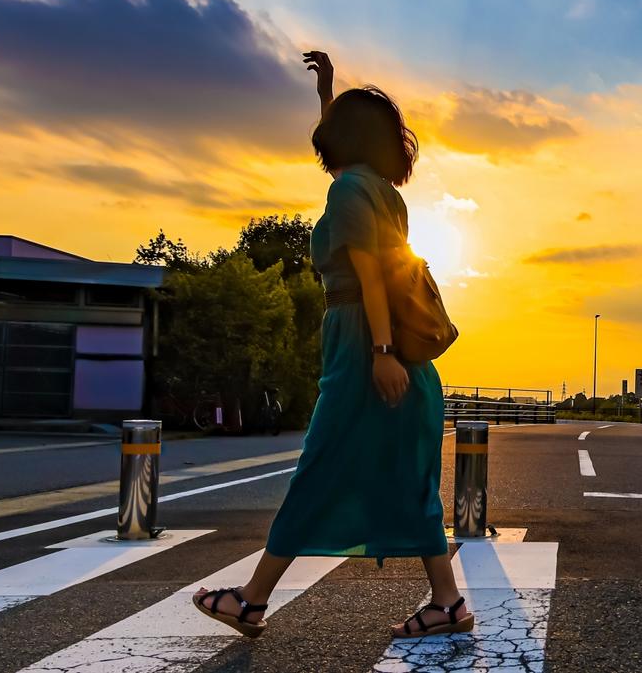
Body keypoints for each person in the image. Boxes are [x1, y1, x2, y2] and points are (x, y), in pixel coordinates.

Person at [191, 50, 473, 640]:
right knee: (407, 476)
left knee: (320, 466)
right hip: (390, 351)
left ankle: (252, 600)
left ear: (343, 138)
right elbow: (342, 169)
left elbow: (371, 275)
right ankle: (448, 603)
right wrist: (328, 96)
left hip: (364, 344)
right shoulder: (376, 188)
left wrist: (379, 353)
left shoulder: (349, 193)